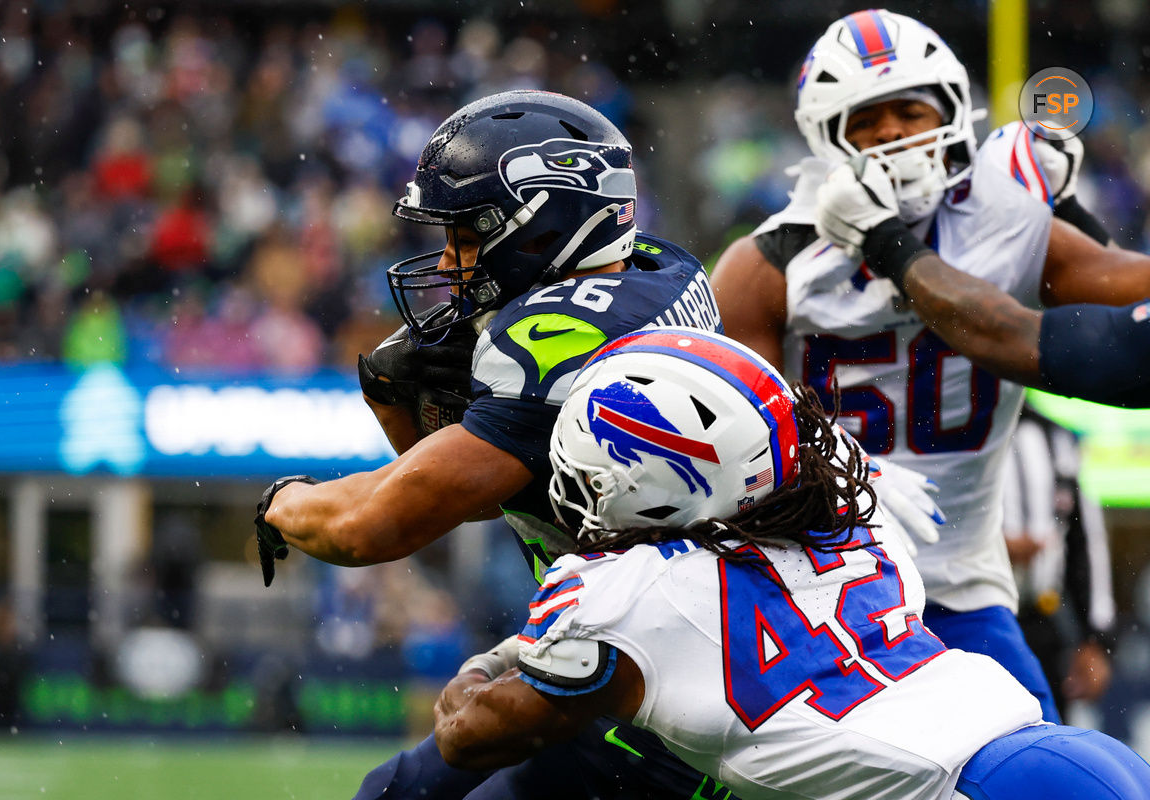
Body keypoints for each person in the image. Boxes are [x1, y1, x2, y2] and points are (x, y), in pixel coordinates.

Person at [433, 326, 1150, 800]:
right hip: (1060, 754)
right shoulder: (846, 510)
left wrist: (484, 667)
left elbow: (468, 738)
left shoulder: (625, 597)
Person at [256, 89, 733, 799]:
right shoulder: (661, 269)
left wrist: (284, 503)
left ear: (546, 230)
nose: (450, 263)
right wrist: (400, 405)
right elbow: (484, 484)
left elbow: (374, 527)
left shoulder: (553, 337)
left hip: (668, 707)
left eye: (469, 235)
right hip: (653, 646)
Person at [709, 8, 1150, 722]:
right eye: (866, 119)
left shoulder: (1005, 224)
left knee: (1033, 756)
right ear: (826, 135)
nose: (889, 134)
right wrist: (842, 485)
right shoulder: (768, 265)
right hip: (817, 581)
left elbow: (1125, 299)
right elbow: (736, 452)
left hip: (961, 585)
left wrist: (1062, 213)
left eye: (909, 111)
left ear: (951, 112)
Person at [1002, 405, 1117, 713]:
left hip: (1038, 622)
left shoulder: (1054, 436)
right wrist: (986, 549)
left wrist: (1096, 639)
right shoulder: (943, 427)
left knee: (1047, 737)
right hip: (957, 621)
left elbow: (1084, 541)